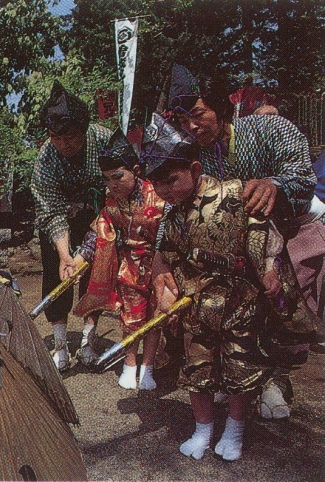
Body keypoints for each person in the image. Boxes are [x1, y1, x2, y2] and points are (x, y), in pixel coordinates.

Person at [163, 65, 325, 419]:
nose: (191, 126)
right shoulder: (188, 153)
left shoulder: (269, 128)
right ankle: (230, 376)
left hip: (295, 226)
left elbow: (303, 176)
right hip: (231, 244)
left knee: (277, 292)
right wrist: (162, 258)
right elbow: (173, 203)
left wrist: (274, 185)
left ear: (220, 106)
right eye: (182, 119)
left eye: (198, 115)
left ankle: (275, 380)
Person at [143, 116, 286, 461]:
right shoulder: (172, 217)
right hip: (196, 308)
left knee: (239, 368)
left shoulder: (235, 193)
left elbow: (267, 234)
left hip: (240, 304)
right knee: (198, 371)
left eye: (171, 180)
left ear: (194, 169)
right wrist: (166, 294)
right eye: (157, 185)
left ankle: (235, 429)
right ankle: (203, 429)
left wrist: (270, 268)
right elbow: (166, 258)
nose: (165, 191)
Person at [70, 128, 166, 389]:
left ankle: (148, 367)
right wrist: (78, 260)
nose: (112, 184)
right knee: (131, 316)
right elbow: (99, 231)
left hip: (160, 264)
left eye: (118, 177)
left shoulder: (158, 196)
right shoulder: (112, 203)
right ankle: (130, 363)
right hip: (130, 267)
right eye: (107, 179)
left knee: (156, 315)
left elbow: (168, 234)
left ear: (135, 170)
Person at [31, 80, 112, 371]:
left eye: (71, 137)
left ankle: (89, 339)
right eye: (56, 137)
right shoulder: (46, 158)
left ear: (84, 129)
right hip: (59, 218)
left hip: (100, 216)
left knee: (97, 274)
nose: (64, 144)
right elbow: (50, 209)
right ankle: (61, 343)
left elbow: (119, 192)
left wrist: (85, 253)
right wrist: (66, 255)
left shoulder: (105, 141)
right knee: (57, 272)